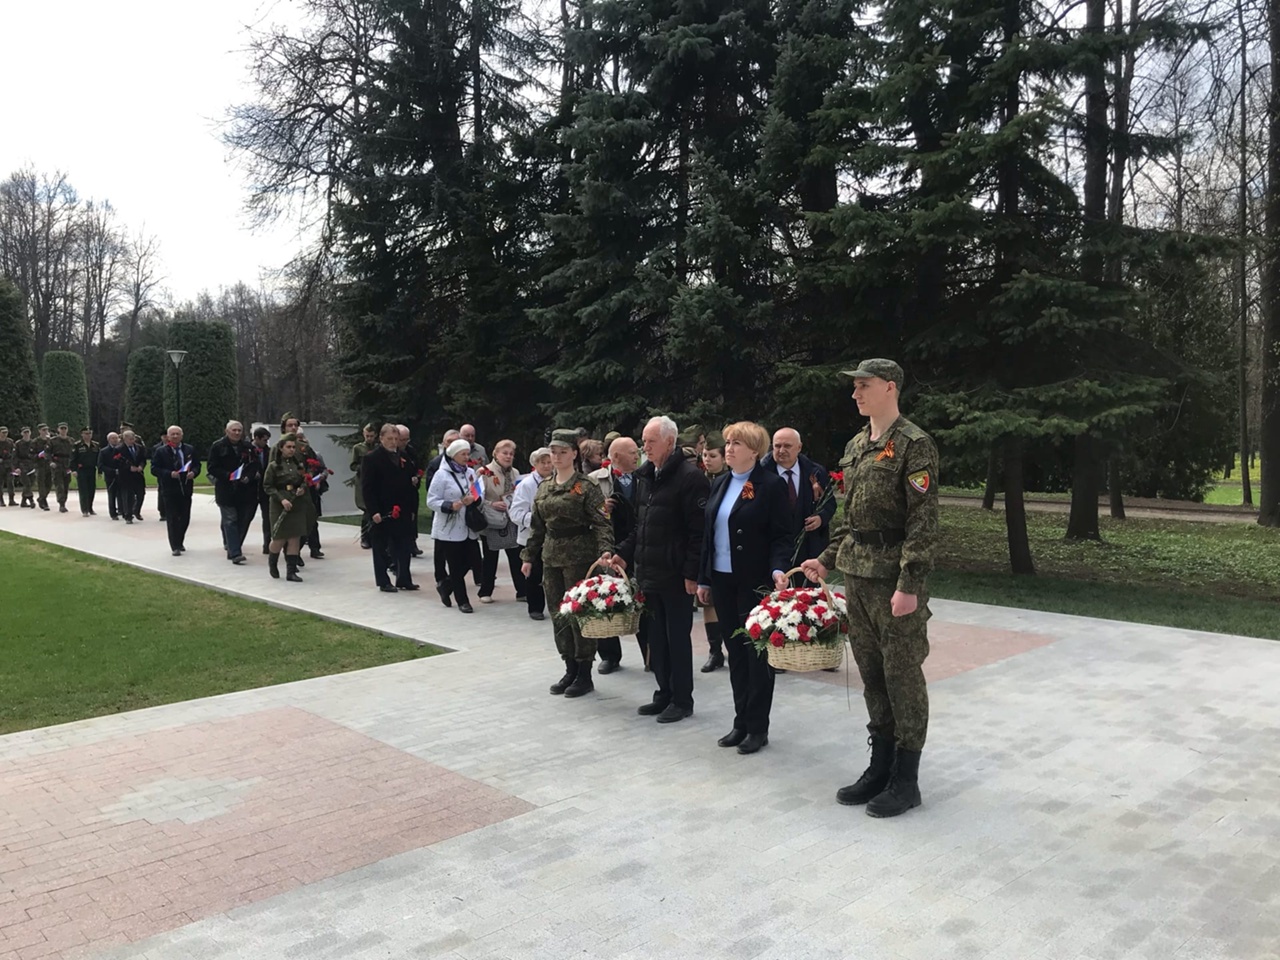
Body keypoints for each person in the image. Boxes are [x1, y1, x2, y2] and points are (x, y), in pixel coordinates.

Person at [802, 359, 940, 818]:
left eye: (863, 386)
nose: (855, 394)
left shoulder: (914, 445)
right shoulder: (857, 445)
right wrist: (825, 560)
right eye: (855, 387)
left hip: (893, 580)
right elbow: (849, 519)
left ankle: (907, 778)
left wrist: (910, 585)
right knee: (872, 674)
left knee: (903, 677)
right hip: (857, 576)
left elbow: (922, 524)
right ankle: (879, 766)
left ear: (889, 387)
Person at [601, 416, 709, 724]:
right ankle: (663, 692)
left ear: (670, 442)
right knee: (656, 640)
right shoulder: (646, 476)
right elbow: (642, 526)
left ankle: (682, 698)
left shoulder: (690, 478)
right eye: (643, 440)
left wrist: (692, 574)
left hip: (675, 575)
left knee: (677, 638)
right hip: (649, 572)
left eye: (650, 441)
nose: (644, 446)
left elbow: (697, 534)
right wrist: (623, 553)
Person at [697, 422, 792, 755]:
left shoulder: (769, 485)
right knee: (735, 653)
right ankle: (740, 722)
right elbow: (709, 537)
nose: (729, 448)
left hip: (753, 582)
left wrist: (778, 568)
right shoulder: (721, 483)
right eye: (727, 442)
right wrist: (704, 578)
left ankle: (757, 727)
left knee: (756, 655)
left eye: (737, 443)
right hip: (722, 580)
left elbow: (783, 534)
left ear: (755, 451)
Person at [520, 429, 614, 698]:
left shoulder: (586, 487)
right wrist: (529, 557)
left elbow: (602, 523)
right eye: (553, 452)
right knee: (559, 615)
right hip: (551, 558)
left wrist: (605, 551)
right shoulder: (544, 487)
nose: (557, 457)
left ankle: (584, 673)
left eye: (563, 452)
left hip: (580, 559)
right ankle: (569, 668)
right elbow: (537, 527)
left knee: (579, 615)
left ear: (574, 453)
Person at [588, 435, 641, 673]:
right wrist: (600, 511)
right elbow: (581, 515)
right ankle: (609, 655)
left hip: (639, 545)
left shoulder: (646, 477)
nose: (637, 456)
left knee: (640, 595)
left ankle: (650, 653)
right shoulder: (593, 480)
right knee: (605, 597)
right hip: (607, 546)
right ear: (616, 456)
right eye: (632, 452)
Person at [764, 427, 836, 577]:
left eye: (787, 446)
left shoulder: (816, 472)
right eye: (777, 446)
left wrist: (821, 517)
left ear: (799, 447)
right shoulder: (762, 473)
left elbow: (830, 502)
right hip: (772, 550)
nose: (781, 450)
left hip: (808, 547)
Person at [362, 423, 419, 592]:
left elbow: (410, 479)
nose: (393, 442)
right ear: (381, 439)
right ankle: (383, 581)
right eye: (390, 439)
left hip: (402, 508)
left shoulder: (404, 457)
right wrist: (374, 511)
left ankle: (404, 578)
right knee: (381, 546)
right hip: (383, 508)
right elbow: (368, 488)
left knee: (404, 545)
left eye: (396, 439)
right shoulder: (372, 458)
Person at [427, 438, 482, 612]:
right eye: (463, 454)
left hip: (468, 526)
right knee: (455, 564)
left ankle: (446, 586)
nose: (466, 457)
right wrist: (451, 505)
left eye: (468, 454)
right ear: (453, 455)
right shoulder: (441, 474)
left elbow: (478, 492)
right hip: (449, 528)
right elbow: (431, 501)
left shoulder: (470, 472)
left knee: (474, 561)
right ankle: (462, 600)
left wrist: (475, 498)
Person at [477, 440, 527, 603]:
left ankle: (521, 591)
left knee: (515, 556)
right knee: (490, 557)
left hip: (510, 520)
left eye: (511, 454)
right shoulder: (483, 472)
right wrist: (491, 504)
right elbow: (476, 498)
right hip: (492, 520)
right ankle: (485, 591)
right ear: (495, 454)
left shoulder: (515, 473)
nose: (508, 456)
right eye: (504, 453)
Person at [510, 447, 552, 621]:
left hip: (552, 537)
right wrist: (538, 520)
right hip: (530, 537)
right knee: (533, 574)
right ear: (535, 464)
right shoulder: (526, 485)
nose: (547, 465)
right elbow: (515, 513)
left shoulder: (557, 481)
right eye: (543, 462)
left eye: (550, 462)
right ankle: (535, 607)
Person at [207, 421, 259, 565]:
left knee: (243, 521)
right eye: (234, 430)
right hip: (226, 490)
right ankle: (235, 552)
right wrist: (228, 475)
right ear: (227, 431)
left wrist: (248, 476)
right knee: (230, 520)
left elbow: (255, 465)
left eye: (239, 430)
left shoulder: (248, 448)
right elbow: (212, 467)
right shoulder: (218, 446)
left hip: (245, 491)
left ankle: (233, 547)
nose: (237, 433)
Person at [262, 433, 309, 582]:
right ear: (281, 448)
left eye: (294, 447)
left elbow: (304, 480)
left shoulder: (298, 465)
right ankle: (273, 562)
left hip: (296, 502)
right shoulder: (274, 466)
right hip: (279, 503)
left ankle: (291, 572)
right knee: (279, 538)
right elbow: (268, 486)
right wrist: (281, 499)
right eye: (288, 447)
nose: (291, 449)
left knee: (295, 537)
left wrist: (302, 488)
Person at [699, 431, 729, 672]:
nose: (707, 460)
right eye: (704, 455)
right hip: (704, 548)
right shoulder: (700, 480)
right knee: (708, 602)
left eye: (712, 455)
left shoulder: (732, 480)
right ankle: (714, 650)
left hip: (727, 549)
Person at [150, 426, 202, 556]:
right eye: (172, 434)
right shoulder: (161, 451)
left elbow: (197, 465)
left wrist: (194, 473)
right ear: (168, 436)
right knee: (172, 518)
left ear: (182, 435)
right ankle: (175, 546)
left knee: (185, 517)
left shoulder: (189, 449)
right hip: (169, 489)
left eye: (177, 434)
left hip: (186, 487)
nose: (175, 436)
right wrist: (169, 473)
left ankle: (180, 540)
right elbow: (154, 469)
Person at [426, 429, 462, 590]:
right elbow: (431, 492)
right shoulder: (437, 464)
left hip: (462, 518)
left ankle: (451, 580)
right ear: (444, 443)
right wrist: (448, 505)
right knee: (441, 549)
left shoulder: (465, 466)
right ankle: (441, 577)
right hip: (444, 513)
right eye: (449, 442)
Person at [296, 432, 332, 560]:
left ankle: (315, 548)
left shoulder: (315, 455)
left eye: (303, 438)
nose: (302, 441)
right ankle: (295, 553)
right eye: (298, 439)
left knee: (313, 520)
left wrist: (320, 478)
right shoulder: (292, 457)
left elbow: (323, 469)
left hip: (313, 492)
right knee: (300, 522)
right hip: (298, 492)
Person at [351, 423, 376, 549]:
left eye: (371, 436)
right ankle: (365, 538)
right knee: (366, 510)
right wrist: (363, 467)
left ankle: (374, 537)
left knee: (374, 510)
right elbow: (353, 465)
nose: (369, 438)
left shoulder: (378, 448)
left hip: (376, 481)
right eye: (367, 436)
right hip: (362, 481)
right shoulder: (358, 448)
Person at [249, 427, 273, 552]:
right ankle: (234, 543)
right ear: (256, 438)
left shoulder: (269, 452)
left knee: (268, 518)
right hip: (250, 489)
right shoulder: (247, 450)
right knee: (246, 517)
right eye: (264, 440)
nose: (266, 443)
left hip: (265, 489)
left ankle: (267, 544)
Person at [117, 430, 148, 522]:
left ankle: (136, 510)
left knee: (141, 494)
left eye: (133, 439)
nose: (132, 441)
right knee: (128, 496)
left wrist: (141, 466)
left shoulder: (139, 448)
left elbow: (143, 459)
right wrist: (128, 468)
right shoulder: (119, 449)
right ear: (125, 439)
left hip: (138, 475)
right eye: (130, 439)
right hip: (126, 476)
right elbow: (117, 462)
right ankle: (128, 516)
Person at [70, 427, 100, 516]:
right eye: (86, 433)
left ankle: (90, 508)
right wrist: (74, 470)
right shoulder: (77, 445)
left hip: (92, 469)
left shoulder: (95, 445)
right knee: (83, 490)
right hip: (81, 470)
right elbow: (73, 459)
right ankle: (85, 510)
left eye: (89, 433)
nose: (88, 435)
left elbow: (99, 459)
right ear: (82, 434)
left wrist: (100, 471)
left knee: (91, 489)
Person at [45, 423, 74, 513]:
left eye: (65, 428)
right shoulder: (53, 441)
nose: (63, 430)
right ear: (58, 429)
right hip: (57, 463)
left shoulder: (71, 440)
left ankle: (64, 500)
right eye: (61, 428)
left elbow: (74, 453)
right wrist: (50, 462)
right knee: (59, 484)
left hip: (67, 464)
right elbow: (47, 452)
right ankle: (61, 503)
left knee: (66, 484)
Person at [97, 432, 124, 519]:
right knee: (112, 495)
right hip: (110, 476)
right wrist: (112, 471)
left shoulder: (122, 449)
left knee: (122, 494)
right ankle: (113, 514)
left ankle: (123, 510)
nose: (115, 440)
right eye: (113, 438)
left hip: (121, 475)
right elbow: (100, 465)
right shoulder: (104, 451)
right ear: (108, 440)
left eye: (116, 438)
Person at [32, 424, 52, 510]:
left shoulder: (50, 441)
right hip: (40, 465)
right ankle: (43, 501)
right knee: (41, 484)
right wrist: (38, 455)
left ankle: (41, 498)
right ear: (39, 431)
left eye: (46, 430)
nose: (45, 432)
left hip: (49, 465)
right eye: (43, 430)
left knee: (49, 484)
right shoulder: (35, 442)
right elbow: (31, 455)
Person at [0, 426, 15, 507]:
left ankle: (11, 499)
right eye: (3, 432)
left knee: (10, 482)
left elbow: (13, 453)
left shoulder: (10, 442)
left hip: (8, 464)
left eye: (6, 432)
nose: (5, 434)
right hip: (0, 465)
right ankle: (1, 500)